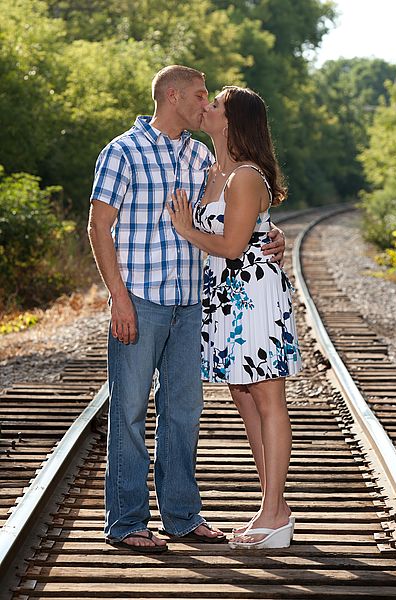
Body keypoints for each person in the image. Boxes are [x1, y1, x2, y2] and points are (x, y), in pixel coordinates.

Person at [87, 66, 286, 553]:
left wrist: (272, 234)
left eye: (210, 99)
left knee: (183, 413)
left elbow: (239, 208)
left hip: (193, 304)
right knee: (130, 412)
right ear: (172, 96)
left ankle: (181, 515)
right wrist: (118, 298)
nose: (205, 103)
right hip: (141, 299)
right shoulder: (122, 151)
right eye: (200, 95)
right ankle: (128, 521)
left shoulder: (201, 156)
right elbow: (98, 227)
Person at [167, 85, 302, 549]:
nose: (207, 108)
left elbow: (231, 245)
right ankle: (275, 509)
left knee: (267, 401)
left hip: (253, 296)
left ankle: (273, 513)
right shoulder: (211, 171)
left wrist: (186, 229)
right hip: (224, 300)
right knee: (244, 402)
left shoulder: (245, 175)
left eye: (216, 104)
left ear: (233, 120)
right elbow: (243, 231)